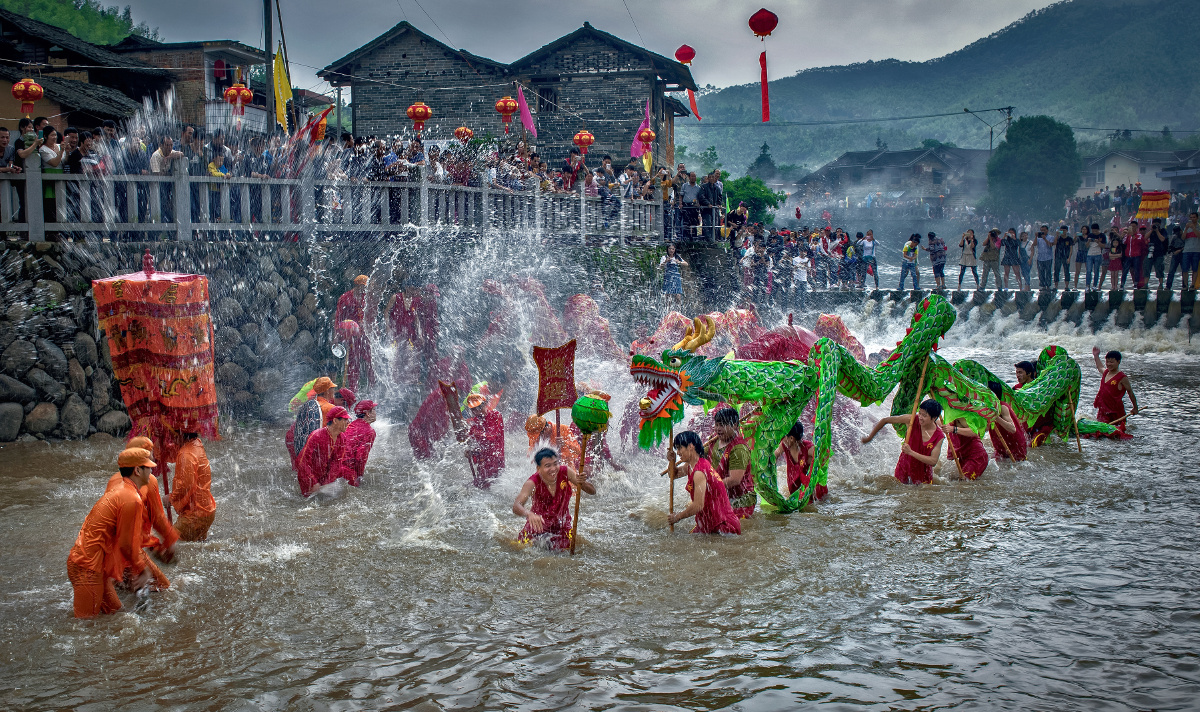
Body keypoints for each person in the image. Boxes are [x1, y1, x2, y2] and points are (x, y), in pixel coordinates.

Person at [67, 448, 155, 618]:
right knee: (85, 627)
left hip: (94, 566)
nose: (152, 471)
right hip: (88, 567)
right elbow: (126, 544)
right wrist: (143, 570)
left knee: (116, 615)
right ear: (137, 470)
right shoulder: (131, 499)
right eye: (148, 467)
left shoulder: (121, 490)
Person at [105, 436, 175, 590]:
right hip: (129, 547)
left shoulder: (114, 480)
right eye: (150, 456)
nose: (153, 459)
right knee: (163, 586)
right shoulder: (149, 481)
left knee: (120, 587)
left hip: (110, 548)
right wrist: (169, 541)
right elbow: (158, 519)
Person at [513, 448, 595, 550]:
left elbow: (592, 492)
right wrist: (529, 514)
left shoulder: (566, 472)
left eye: (555, 464)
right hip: (538, 529)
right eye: (548, 466)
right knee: (522, 550)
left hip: (562, 527)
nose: (553, 469)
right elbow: (516, 506)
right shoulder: (532, 482)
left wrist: (582, 482)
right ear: (538, 468)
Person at [666, 430, 740, 534]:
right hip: (708, 522)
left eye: (680, 448)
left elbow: (698, 505)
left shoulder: (699, 472)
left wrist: (678, 517)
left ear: (691, 446)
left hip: (723, 526)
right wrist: (672, 461)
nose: (678, 452)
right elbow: (673, 475)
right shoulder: (691, 465)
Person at [861, 399, 945, 484]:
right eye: (920, 413)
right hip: (903, 468)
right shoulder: (911, 420)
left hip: (923, 475)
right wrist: (870, 437)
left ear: (934, 418)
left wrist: (910, 452)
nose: (920, 417)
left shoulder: (939, 436)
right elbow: (885, 420)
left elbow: (933, 461)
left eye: (924, 415)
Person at [709, 407, 756, 518]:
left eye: (723, 425)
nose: (718, 429)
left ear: (735, 425)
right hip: (721, 493)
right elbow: (697, 459)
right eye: (717, 425)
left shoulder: (739, 449)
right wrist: (676, 469)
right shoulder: (713, 440)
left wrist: (709, 486)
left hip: (740, 500)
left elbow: (734, 480)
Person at [170, 431, 216, 541]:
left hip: (194, 515)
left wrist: (171, 498)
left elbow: (186, 484)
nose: (170, 437)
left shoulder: (186, 454)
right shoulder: (196, 443)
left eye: (172, 433)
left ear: (180, 434)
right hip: (206, 512)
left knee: (167, 546)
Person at [296, 406, 351, 497]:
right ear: (335, 421)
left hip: (324, 478)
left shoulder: (342, 438)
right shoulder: (316, 436)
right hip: (308, 476)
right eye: (345, 420)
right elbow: (302, 462)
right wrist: (313, 481)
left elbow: (336, 463)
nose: (348, 422)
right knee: (308, 503)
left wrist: (326, 483)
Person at [334, 275, 375, 390]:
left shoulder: (367, 298)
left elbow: (372, 316)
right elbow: (339, 317)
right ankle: (353, 389)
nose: (365, 289)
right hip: (351, 333)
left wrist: (374, 330)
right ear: (357, 285)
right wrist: (337, 334)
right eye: (363, 287)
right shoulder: (345, 298)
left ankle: (373, 385)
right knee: (353, 361)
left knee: (370, 360)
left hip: (365, 333)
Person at [1091, 348, 1138, 436]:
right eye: (1107, 362)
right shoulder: (1106, 373)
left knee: (1117, 434)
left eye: (1111, 362)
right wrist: (1096, 355)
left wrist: (1135, 407)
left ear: (1118, 362)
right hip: (1103, 410)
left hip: (1116, 411)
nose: (1109, 364)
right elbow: (1100, 367)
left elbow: (1130, 392)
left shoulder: (1122, 377)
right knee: (1100, 433)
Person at [332, 400, 377, 487]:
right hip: (347, 472)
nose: (376, 412)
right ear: (368, 413)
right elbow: (361, 458)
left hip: (334, 468)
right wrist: (359, 477)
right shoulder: (369, 432)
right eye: (374, 409)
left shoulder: (350, 425)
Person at [465, 393, 505, 488]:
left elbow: (491, 436)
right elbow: (470, 440)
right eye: (473, 409)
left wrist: (473, 431)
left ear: (485, 404)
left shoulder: (495, 415)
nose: (476, 411)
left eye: (479, 407)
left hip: (496, 459)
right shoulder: (474, 422)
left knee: (494, 485)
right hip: (482, 460)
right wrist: (468, 450)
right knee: (478, 487)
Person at [775, 421, 822, 500]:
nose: (783, 438)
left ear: (791, 438)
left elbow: (821, 460)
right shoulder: (784, 445)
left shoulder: (809, 449)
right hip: (793, 490)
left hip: (809, 492)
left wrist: (812, 484)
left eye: (785, 436)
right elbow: (774, 456)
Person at [986, 382, 1025, 461]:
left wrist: (996, 417)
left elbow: (1012, 429)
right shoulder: (987, 408)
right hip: (1000, 446)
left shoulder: (1002, 407)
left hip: (1015, 444)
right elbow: (985, 429)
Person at [659, 243, 687, 310]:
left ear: (675, 250)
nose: (671, 250)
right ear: (667, 249)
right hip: (668, 279)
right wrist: (665, 261)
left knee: (678, 296)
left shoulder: (677, 257)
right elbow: (660, 267)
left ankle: (678, 311)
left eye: (673, 249)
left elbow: (686, 264)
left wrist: (679, 262)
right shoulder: (664, 257)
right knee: (668, 298)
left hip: (676, 279)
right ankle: (668, 312)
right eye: (670, 248)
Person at [1181, 212, 1200, 289]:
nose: (1192, 219)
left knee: (1194, 269)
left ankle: (1192, 285)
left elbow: (1199, 236)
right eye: (1191, 217)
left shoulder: (1198, 227)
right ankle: (1185, 285)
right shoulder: (1187, 227)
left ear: (1197, 218)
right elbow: (1183, 238)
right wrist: (1185, 229)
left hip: (1196, 250)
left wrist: (1194, 228)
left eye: (1194, 217)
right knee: (1185, 269)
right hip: (1186, 250)